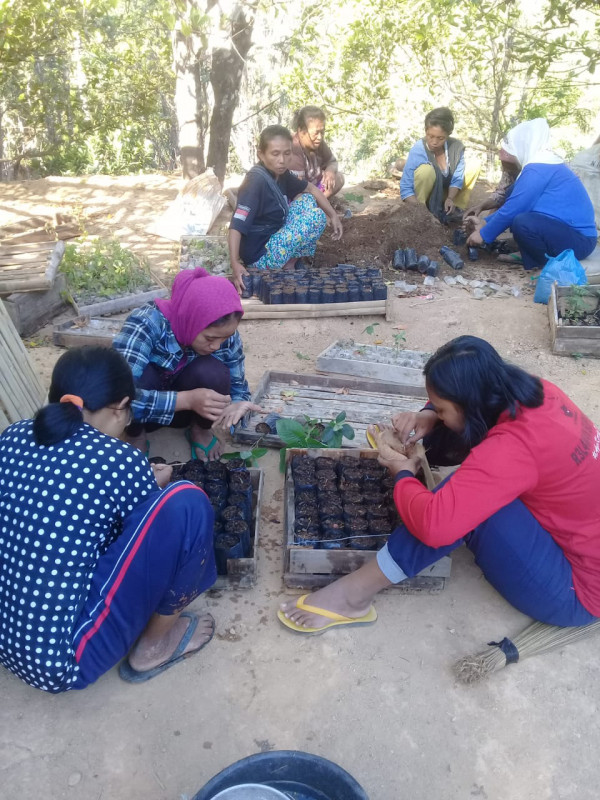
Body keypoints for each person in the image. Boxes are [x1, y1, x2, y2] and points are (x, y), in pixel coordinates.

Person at [279, 336, 600, 635]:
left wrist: (404, 475)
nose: (439, 414)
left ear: (469, 401)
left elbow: (435, 527)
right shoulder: (538, 392)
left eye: (442, 407)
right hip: (582, 543)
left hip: (576, 591)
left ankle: (352, 597)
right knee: (463, 467)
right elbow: (474, 421)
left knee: (459, 512)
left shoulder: (513, 449)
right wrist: (430, 414)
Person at [0, 346, 218, 692]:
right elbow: (142, 540)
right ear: (120, 408)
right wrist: (153, 489)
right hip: (63, 662)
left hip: (8, 640)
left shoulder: (13, 436)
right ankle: (154, 648)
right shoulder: (120, 459)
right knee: (186, 504)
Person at [113, 268, 262, 461]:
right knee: (134, 380)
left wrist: (237, 405)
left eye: (225, 338)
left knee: (213, 373)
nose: (217, 346)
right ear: (191, 320)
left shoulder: (225, 336)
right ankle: (135, 435)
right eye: (209, 338)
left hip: (189, 413)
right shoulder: (146, 322)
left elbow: (238, 386)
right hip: (143, 413)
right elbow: (115, 396)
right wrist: (186, 400)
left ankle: (200, 430)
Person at [467, 118, 598, 269]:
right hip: (565, 231)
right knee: (513, 192)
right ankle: (528, 253)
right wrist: (485, 222)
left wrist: (483, 235)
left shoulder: (538, 169)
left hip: (580, 240)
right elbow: (516, 203)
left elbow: (515, 208)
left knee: (523, 223)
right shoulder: (541, 165)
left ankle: (542, 263)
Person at [228, 125, 343, 293]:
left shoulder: (281, 174)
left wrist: (333, 215)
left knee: (307, 200)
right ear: (261, 154)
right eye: (275, 154)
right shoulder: (255, 182)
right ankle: (280, 267)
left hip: (274, 240)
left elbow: (311, 188)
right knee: (316, 217)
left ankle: (289, 264)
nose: (282, 160)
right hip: (261, 257)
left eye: (287, 153)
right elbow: (236, 225)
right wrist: (235, 264)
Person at [400, 107, 479, 222]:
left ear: (448, 135)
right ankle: (421, 213)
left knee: (474, 165)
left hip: (445, 194)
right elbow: (405, 188)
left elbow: (457, 178)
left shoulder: (456, 147)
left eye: (440, 138)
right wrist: (422, 212)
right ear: (426, 131)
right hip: (424, 199)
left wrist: (450, 198)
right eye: (430, 136)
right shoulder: (418, 150)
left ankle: (453, 209)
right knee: (426, 171)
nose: (434, 142)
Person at [288, 106, 345, 198]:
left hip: (315, 188)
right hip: (300, 194)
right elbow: (299, 188)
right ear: (301, 131)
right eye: (316, 133)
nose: (320, 137)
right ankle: (318, 204)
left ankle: (319, 202)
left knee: (339, 177)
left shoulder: (319, 143)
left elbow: (332, 162)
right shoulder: (294, 149)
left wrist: (330, 171)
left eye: (322, 132)